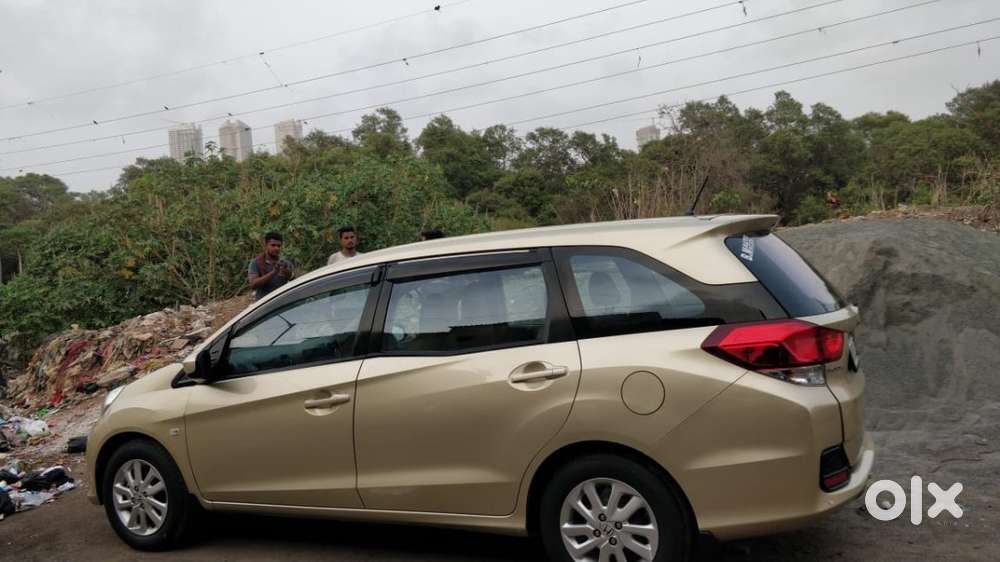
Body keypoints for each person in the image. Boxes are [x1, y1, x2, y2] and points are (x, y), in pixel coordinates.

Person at [248, 232, 294, 300]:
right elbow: (253, 284)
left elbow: (294, 280)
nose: (276, 248)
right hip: (265, 304)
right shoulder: (256, 262)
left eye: (279, 246)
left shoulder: (285, 263)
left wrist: (287, 273)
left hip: (283, 302)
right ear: (266, 245)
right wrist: (273, 272)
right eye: (273, 245)